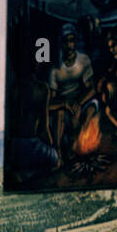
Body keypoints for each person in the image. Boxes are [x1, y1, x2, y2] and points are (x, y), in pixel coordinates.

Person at [44, 25, 95, 157]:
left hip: (80, 101)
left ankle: (80, 144)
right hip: (64, 105)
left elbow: (91, 89)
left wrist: (78, 103)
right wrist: (65, 104)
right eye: (66, 41)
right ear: (62, 43)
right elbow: (51, 100)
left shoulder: (83, 60)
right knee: (59, 114)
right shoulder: (55, 69)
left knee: (92, 108)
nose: (69, 45)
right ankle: (58, 153)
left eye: (72, 40)